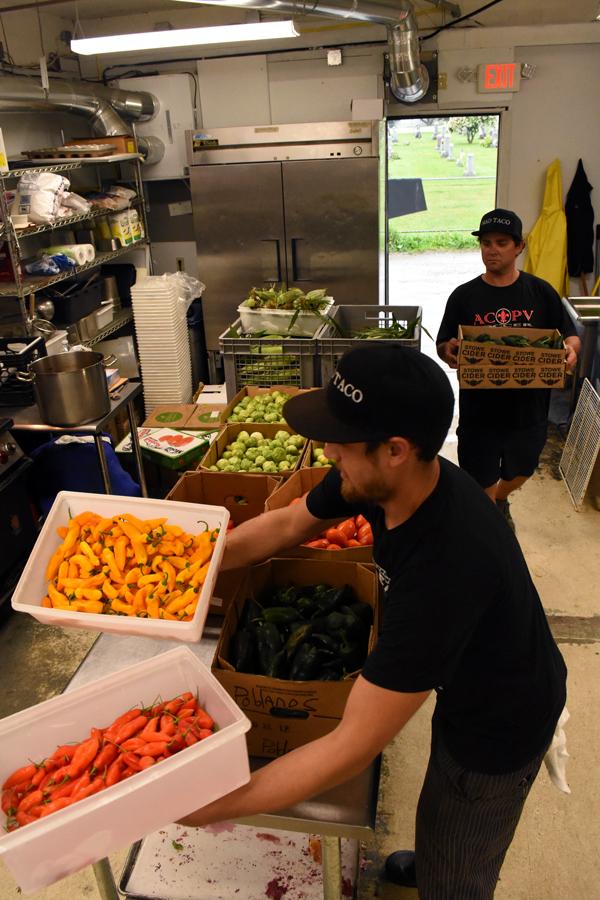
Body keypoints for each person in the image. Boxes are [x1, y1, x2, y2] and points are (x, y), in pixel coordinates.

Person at [178, 343, 567, 900]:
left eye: (341, 438)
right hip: (459, 679)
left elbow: (352, 746)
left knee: (461, 843)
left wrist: (216, 803)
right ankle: (435, 854)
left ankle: (446, 875)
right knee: (440, 805)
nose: (327, 448)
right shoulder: (380, 480)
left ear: (395, 449)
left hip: (501, 723)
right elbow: (287, 525)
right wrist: (191, 570)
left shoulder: (447, 564)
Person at [436, 208, 580, 532]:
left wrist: (570, 351)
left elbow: (569, 335)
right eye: (486, 242)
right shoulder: (463, 296)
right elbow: (444, 342)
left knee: (523, 470)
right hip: (480, 412)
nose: (492, 250)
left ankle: (501, 499)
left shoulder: (541, 292)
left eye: (501, 242)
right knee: (479, 481)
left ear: (519, 246)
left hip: (528, 410)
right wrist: (449, 351)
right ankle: (492, 539)